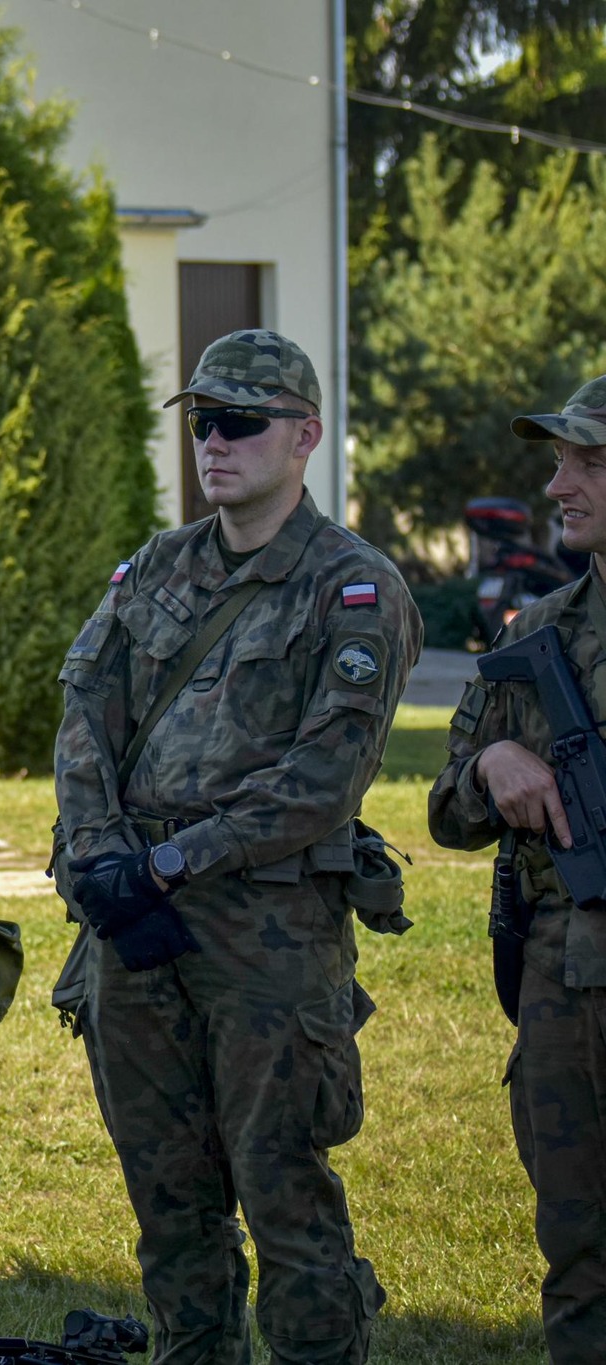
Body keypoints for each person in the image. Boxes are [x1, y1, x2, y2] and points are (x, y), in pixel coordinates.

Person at [53, 329, 421, 1365]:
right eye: (203, 421)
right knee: (167, 1194)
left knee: (281, 1185)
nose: (213, 442)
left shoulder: (351, 586)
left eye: (241, 423)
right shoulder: (155, 568)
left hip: (267, 932)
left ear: (304, 437)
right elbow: (83, 715)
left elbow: (323, 780)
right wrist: (103, 861)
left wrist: (174, 862)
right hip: (132, 916)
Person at [429, 375, 606, 1364]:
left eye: (588, 463)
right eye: (558, 462)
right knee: (578, 1260)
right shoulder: (533, 639)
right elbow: (445, 811)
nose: (557, 486)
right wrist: (491, 764)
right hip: (562, 1001)